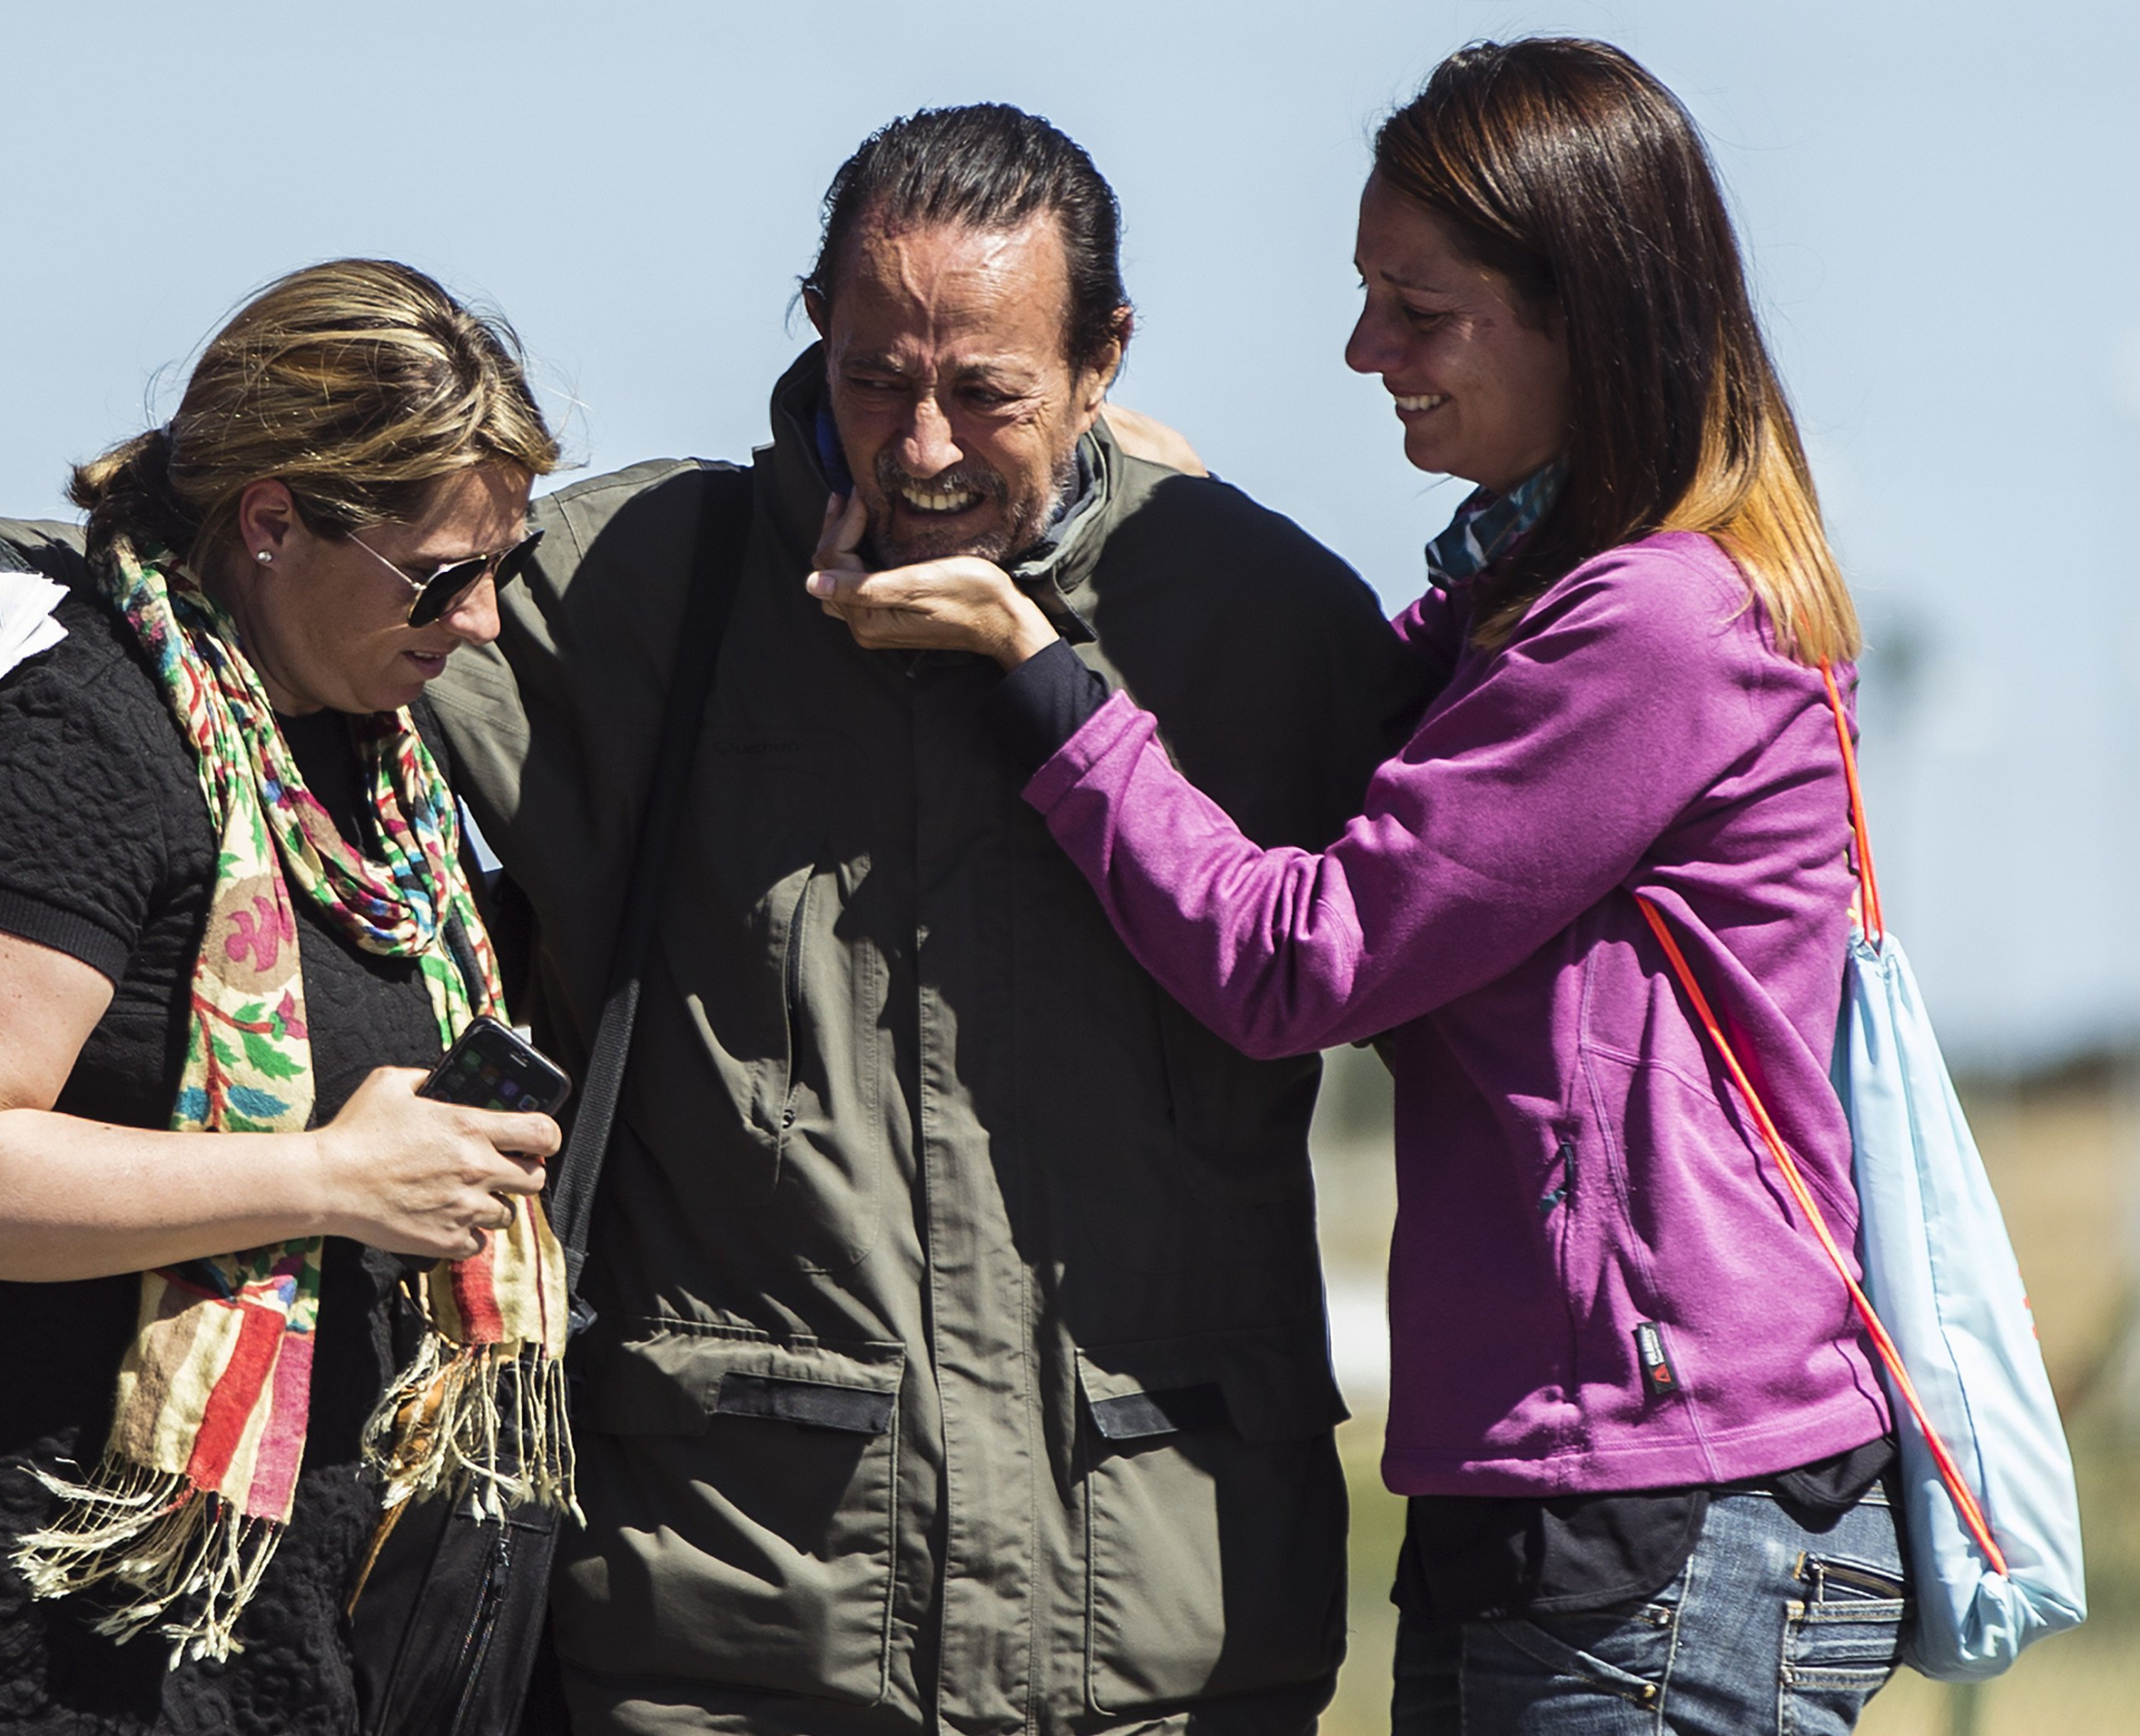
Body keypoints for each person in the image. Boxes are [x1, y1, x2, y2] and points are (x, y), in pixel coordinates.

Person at [0, 106, 1431, 1734]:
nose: (924, 449)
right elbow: (306, 580)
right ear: (815, 328)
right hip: (727, 1640)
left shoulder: (1267, 622)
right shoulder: (643, 581)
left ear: (1104, 360)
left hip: (1174, 1649)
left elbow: (1482, 926)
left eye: (990, 395)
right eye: (876, 378)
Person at [812, 41, 1906, 1736]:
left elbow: (1300, 960)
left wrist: (1035, 661)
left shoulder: (1651, 629)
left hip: (1654, 1511)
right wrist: (1143, 505)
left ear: (1587, 313)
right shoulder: (1532, 619)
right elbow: (1363, 721)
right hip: (1574, 1492)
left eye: (1420, 306)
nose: (1365, 350)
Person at [0, 260, 572, 1733]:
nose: (480, 622)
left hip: (221, 1636)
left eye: (508, 568)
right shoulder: (69, 736)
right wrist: (334, 1177)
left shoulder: (371, 766)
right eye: (442, 576)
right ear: (273, 520)